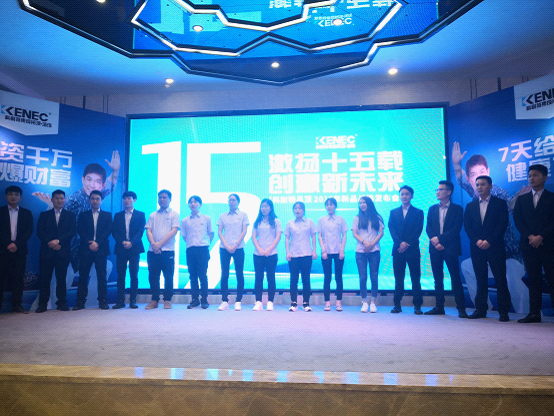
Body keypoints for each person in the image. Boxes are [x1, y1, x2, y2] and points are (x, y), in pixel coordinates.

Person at [452, 142, 529, 314]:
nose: (479, 182)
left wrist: (512, 202)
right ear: (470, 180)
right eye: (474, 177)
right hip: (481, 250)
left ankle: (524, 312)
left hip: (508, 254)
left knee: (507, 277)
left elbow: (501, 219)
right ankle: (484, 308)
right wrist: (456, 164)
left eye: (482, 174)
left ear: (488, 173)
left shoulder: (498, 193)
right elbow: (462, 180)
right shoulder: (474, 197)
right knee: (467, 267)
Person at [33, 153, 120, 272]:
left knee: (106, 268)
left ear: (102, 185)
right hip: (70, 251)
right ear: (82, 179)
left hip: (91, 248)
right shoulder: (74, 200)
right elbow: (61, 221)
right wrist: (52, 207)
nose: (92, 185)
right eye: (89, 179)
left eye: (97, 181)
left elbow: (111, 184)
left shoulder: (96, 195)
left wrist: (115, 171)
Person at [463, 176, 511, 321]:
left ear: (490, 186)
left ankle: (503, 311)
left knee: (500, 279)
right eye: (477, 185)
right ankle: (481, 309)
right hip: (477, 247)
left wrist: (489, 241)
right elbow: (468, 227)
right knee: (480, 278)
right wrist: (477, 241)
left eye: (483, 184)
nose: (479, 187)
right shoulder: (470, 206)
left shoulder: (500, 203)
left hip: (495, 246)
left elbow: (502, 224)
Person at [513, 164, 554, 323]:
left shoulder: (552, 197)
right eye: (530, 175)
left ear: (545, 177)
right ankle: (534, 313)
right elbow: (518, 220)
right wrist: (531, 236)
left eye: (535, 175)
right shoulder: (522, 199)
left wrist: (541, 236)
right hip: (529, 245)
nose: (531, 178)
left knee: (552, 279)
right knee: (534, 280)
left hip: (548, 245)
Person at [425, 180, 467, 318]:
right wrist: (435, 241)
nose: (437, 192)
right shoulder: (432, 209)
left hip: (450, 248)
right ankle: (439, 307)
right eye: (437, 190)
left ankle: (461, 308)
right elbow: (428, 228)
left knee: (455, 278)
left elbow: (456, 229)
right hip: (435, 248)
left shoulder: (457, 209)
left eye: (440, 189)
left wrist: (440, 240)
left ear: (449, 192)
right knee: (438, 279)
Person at [35, 189, 76, 313]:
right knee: (45, 279)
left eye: (62, 198)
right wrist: (51, 243)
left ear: (65, 200)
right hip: (47, 252)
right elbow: (40, 232)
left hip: (62, 251)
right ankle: (42, 304)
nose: (59, 200)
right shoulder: (44, 215)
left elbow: (72, 232)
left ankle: (61, 303)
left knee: (61, 279)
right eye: (57, 198)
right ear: (52, 200)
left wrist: (58, 241)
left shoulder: (70, 215)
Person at [73, 190, 113, 310]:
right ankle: (80, 301)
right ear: (89, 200)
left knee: (102, 276)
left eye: (97, 199)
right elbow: (80, 230)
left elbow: (108, 231)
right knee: (83, 276)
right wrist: (89, 243)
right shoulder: (83, 215)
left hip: (101, 249)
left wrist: (97, 243)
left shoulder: (107, 215)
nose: (95, 201)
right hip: (86, 248)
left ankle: (102, 301)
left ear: (101, 201)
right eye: (93, 199)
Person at [388, 186, 424, 314]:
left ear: (412, 196)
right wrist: (400, 243)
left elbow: (418, 230)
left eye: (407, 194)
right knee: (399, 278)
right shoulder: (393, 212)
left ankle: (417, 305)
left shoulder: (418, 212)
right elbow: (392, 229)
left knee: (415, 278)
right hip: (398, 250)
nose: (404, 196)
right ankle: (397, 305)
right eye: (402, 194)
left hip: (412, 249)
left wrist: (406, 243)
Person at [0, 186, 33, 313]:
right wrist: (8, 244)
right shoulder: (0, 211)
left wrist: (16, 244)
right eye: (10, 194)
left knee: (18, 278)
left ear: (20, 197)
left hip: (19, 251)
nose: (13, 196)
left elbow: (28, 231)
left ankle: (17, 305)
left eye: (16, 194)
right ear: (5, 196)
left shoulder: (27, 213)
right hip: (2, 250)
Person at [145, 189, 180, 310]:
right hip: (152, 251)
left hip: (167, 250)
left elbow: (174, 231)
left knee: (168, 276)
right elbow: (148, 230)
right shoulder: (153, 215)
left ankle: (167, 300)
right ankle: (154, 300)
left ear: (170, 199)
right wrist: (154, 244)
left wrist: (159, 244)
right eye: (160, 197)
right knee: (153, 276)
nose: (162, 199)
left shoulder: (174, 214)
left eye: (164, 197)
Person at [111, 191, 145, 309]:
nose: (126, 200)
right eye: (125, 198)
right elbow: (114, 231)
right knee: (120, 275)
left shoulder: (140, 214)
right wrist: (122, 242)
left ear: (134, 200)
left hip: (134, 248)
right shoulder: (118, 215)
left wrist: (131, 242)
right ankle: (120, 300)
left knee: (134, 275)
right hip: (121, 248)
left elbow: (140, 231)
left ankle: (133, 300)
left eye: (129, 198)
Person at [217, 194, 249, 311]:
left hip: (238, 248)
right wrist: (226, 245)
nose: (231, 202)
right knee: (224, 274)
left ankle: (238, 301)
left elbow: (244, 231)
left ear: (238, 202)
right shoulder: (223, 215)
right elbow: (220, 232)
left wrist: (235, 245)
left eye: (234, 200)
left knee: (239, 274)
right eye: (230, 200)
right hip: (224, 248)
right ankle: (224, 301)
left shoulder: (243, 215)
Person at [352, 196, 384, 313]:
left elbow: (381, 233)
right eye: (360, 203)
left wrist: (371, 244)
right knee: (363, 277)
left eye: (364, 202)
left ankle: (373, 303)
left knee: (374, 277)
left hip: (374, 250)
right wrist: (364, 242)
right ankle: (364, 302)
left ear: (369, 204)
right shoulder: (357, 218)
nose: (362, 204)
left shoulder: (377, 217)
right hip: (361, 251)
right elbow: (354, 233)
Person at [182, 195, 214, 310]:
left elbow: (211, 233)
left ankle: (204, 300)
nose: (193, 204)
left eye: (195, 202)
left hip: (202, 249)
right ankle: (194, 300)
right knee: (193, 276)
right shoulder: (185, 220)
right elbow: (184, 236)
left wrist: (205, 243)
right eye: (190, 202)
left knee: (202, 275)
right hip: (190, 250)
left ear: (200, 204)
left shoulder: (206, 218)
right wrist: (192, 243)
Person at [285, 201, 317, 312]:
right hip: (293, 255)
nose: (297, 210)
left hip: (306, 254)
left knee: (306, 280)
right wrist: (287, 252)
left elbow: (313, 236)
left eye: (299, 208)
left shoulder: (309, 222)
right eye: (295, 208)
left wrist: (314, 251)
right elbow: (287, 238)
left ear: (303, 210)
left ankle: (306, 303)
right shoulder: (290, 223)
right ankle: (293, 303)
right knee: (293, 280)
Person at [317, 198, 348, 312]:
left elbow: (344, 235)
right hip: (326, 252)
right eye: (327, 205)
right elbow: (319, 236)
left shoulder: (341, 219)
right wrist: (323, 250)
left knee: (338, 277)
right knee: (327, 277)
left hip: (338, 251)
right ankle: (327, 303)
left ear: (335, 206)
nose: (329, 206)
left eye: (331, 204)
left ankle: (339, 303)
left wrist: (342, 250)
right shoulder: (322, 220)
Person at [251, 198, 281, 311]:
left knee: (270, 277)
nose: (264, 208)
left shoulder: (276, 221)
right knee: (258, 278)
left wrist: (269, 249)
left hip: (271, 254)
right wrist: (259, 249)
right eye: (262, 206)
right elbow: (254, 237)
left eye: (266, 206)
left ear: (271, 208)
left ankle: (270, 302)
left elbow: (278, 237)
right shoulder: (257, 221)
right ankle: (258, 302)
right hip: (258, 254)